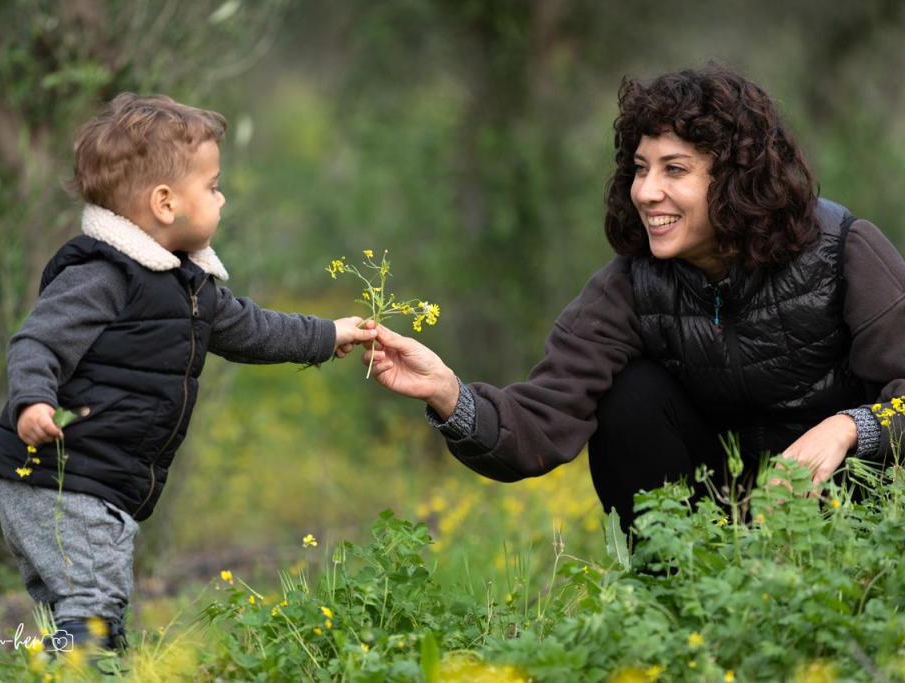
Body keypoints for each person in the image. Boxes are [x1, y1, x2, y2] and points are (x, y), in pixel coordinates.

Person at [362, 65, 905, 532]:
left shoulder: (843, 251)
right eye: (641, 169)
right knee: (630, 394)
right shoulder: (631, 286)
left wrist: (850, 427)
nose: (645, 192)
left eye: (675, 169)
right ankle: (671, 605)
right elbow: (541, 421)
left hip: (848, 516)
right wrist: (448, 394)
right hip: (720, 533)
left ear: (737, 180)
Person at [0, 93, 376, 653]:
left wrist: (328, 335)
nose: (223, 197)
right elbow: (36, 341)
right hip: (60, 478)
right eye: (213, 186)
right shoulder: (102, 275)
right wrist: (32, 402)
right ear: (165, 204)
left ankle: (70, 665)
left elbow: (255, 331)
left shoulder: (190, 287)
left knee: (82, 616)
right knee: (95, 616)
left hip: (89, 483)